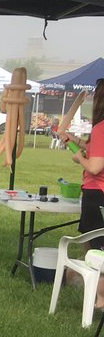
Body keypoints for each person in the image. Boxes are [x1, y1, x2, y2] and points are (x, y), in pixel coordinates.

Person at [62, 79, 104, 267]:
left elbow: (95, 167)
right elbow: (98, 151)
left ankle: (99, 296)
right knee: (92, 245)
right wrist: (78, 142)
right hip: (97, 193)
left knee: (97, 250)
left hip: (97, 193)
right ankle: (89, 287)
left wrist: (80, 158)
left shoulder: (101, 128)